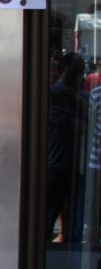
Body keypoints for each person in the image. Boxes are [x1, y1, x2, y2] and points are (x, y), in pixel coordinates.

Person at [46, 52, 86, 242]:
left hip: (76, 162)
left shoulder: (79, 94)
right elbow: (62, 122)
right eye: (77, 68)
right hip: (58, 160)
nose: (81, 73)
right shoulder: (55, 93)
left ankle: (65, 238)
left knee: (72, 211)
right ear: (67, 69)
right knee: (50, 208)